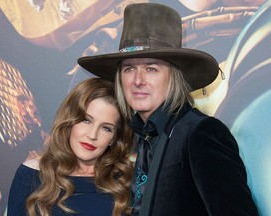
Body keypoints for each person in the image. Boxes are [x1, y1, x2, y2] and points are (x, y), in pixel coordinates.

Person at [77, 3, 259, 216]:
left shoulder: (201, 133)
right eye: (129, 69)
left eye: (151, 68)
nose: (138, 80)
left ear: (174, 76)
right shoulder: (138, 138)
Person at [7, 78, 134, 216]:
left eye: (106, 128)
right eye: (86, 120)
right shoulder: (31, 174)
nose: (92, 135)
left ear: (113, 139)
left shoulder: (124, 183)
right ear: (69, 121)